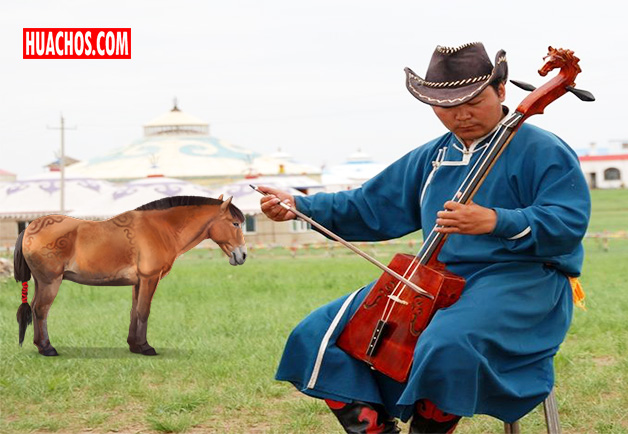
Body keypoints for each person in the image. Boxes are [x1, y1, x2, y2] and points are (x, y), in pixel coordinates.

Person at [259, 42, 591, 433]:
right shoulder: (432, 156)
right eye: (446, 106)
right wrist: (300, 205)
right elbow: (369, 205)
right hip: (435, 280)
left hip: (523, 282)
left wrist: (495, 220)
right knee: (319, 332)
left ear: (501, 91)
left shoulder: (543, 149)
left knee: (447, 343)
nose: (461, 115)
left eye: (474, 101)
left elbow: (568, 222)